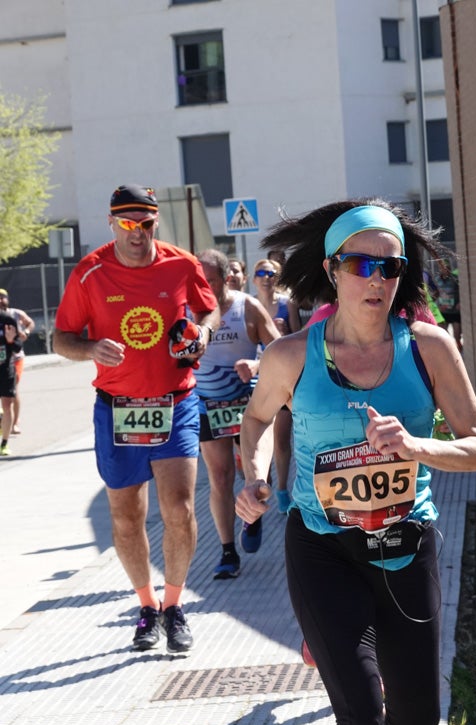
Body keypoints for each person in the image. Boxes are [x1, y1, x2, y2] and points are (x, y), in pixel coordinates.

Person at [236, 198, 476, 725]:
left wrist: (416, 446)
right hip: (321, 549)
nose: (377, 279)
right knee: (360, 718)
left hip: (404, 544)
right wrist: (251, 476)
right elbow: (254, 421)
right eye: (361, 265)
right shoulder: (291, 355)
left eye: (390, 266)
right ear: (332, 272)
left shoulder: (428, 347)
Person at [53, 184, 220, 654]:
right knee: (127, 517)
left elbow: (209, 308)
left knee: (180, 508)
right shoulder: (89, 274)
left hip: (175, 401)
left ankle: (174, 606)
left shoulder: (181, 264)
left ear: (154, 223)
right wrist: (90, 348)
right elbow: (60, 339)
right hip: (117, 408)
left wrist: (203, 334)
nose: (136, 233)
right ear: (112, 224)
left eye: (144, 224)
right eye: (126, 224)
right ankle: (146, 607)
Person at [195, 249, 280, 576]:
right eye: (198, 281)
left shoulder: (248, 307)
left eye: (210, 280)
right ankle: (228, 552)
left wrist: (257, 363)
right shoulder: (188, 311)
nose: (203, 287)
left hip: (248, 405)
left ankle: (252, 517)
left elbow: (280, 348)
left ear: (226, 278)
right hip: (207, 405)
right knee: (219, 477)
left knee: (257, 474)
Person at [251, 257, 302, 513]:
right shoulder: (249, 306)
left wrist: (283, 335)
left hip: (282, 376)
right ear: (253, 278)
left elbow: (299, 338)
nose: (266, 277)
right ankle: (261, 480)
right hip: (254, 379)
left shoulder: (287, 303)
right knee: (255, 433)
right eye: (261, 272)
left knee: (281, 439)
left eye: (271, 273)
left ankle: (281, 488)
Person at [0, 288, 34, 435]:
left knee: (13, 391)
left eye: (3, 297)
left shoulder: (15, 313)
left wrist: (25, 332)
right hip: (3, 359)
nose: (0, 300)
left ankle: (14, 423)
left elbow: (30, 322)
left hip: (16, 357)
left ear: (7, 299)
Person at [0, 312, 23, 455]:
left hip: (5, 370)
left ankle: (4, 443)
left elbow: (18, 347)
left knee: (7, 405)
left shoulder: (7, 320)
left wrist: (10, 340)